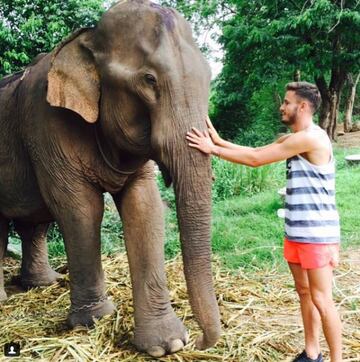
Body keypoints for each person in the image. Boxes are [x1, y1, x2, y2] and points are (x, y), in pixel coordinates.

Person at [186, 81, 342, 362]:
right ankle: (312, 352)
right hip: (296, 231)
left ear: (303, 106)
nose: (281, 106)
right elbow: (255, 148)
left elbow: (256, 159)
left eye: (286, 102)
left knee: (322, 299)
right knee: (304, 292)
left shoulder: (311, 138)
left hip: (318, 234)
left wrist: (213, 149)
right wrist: (217, 140)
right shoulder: (292, 139)